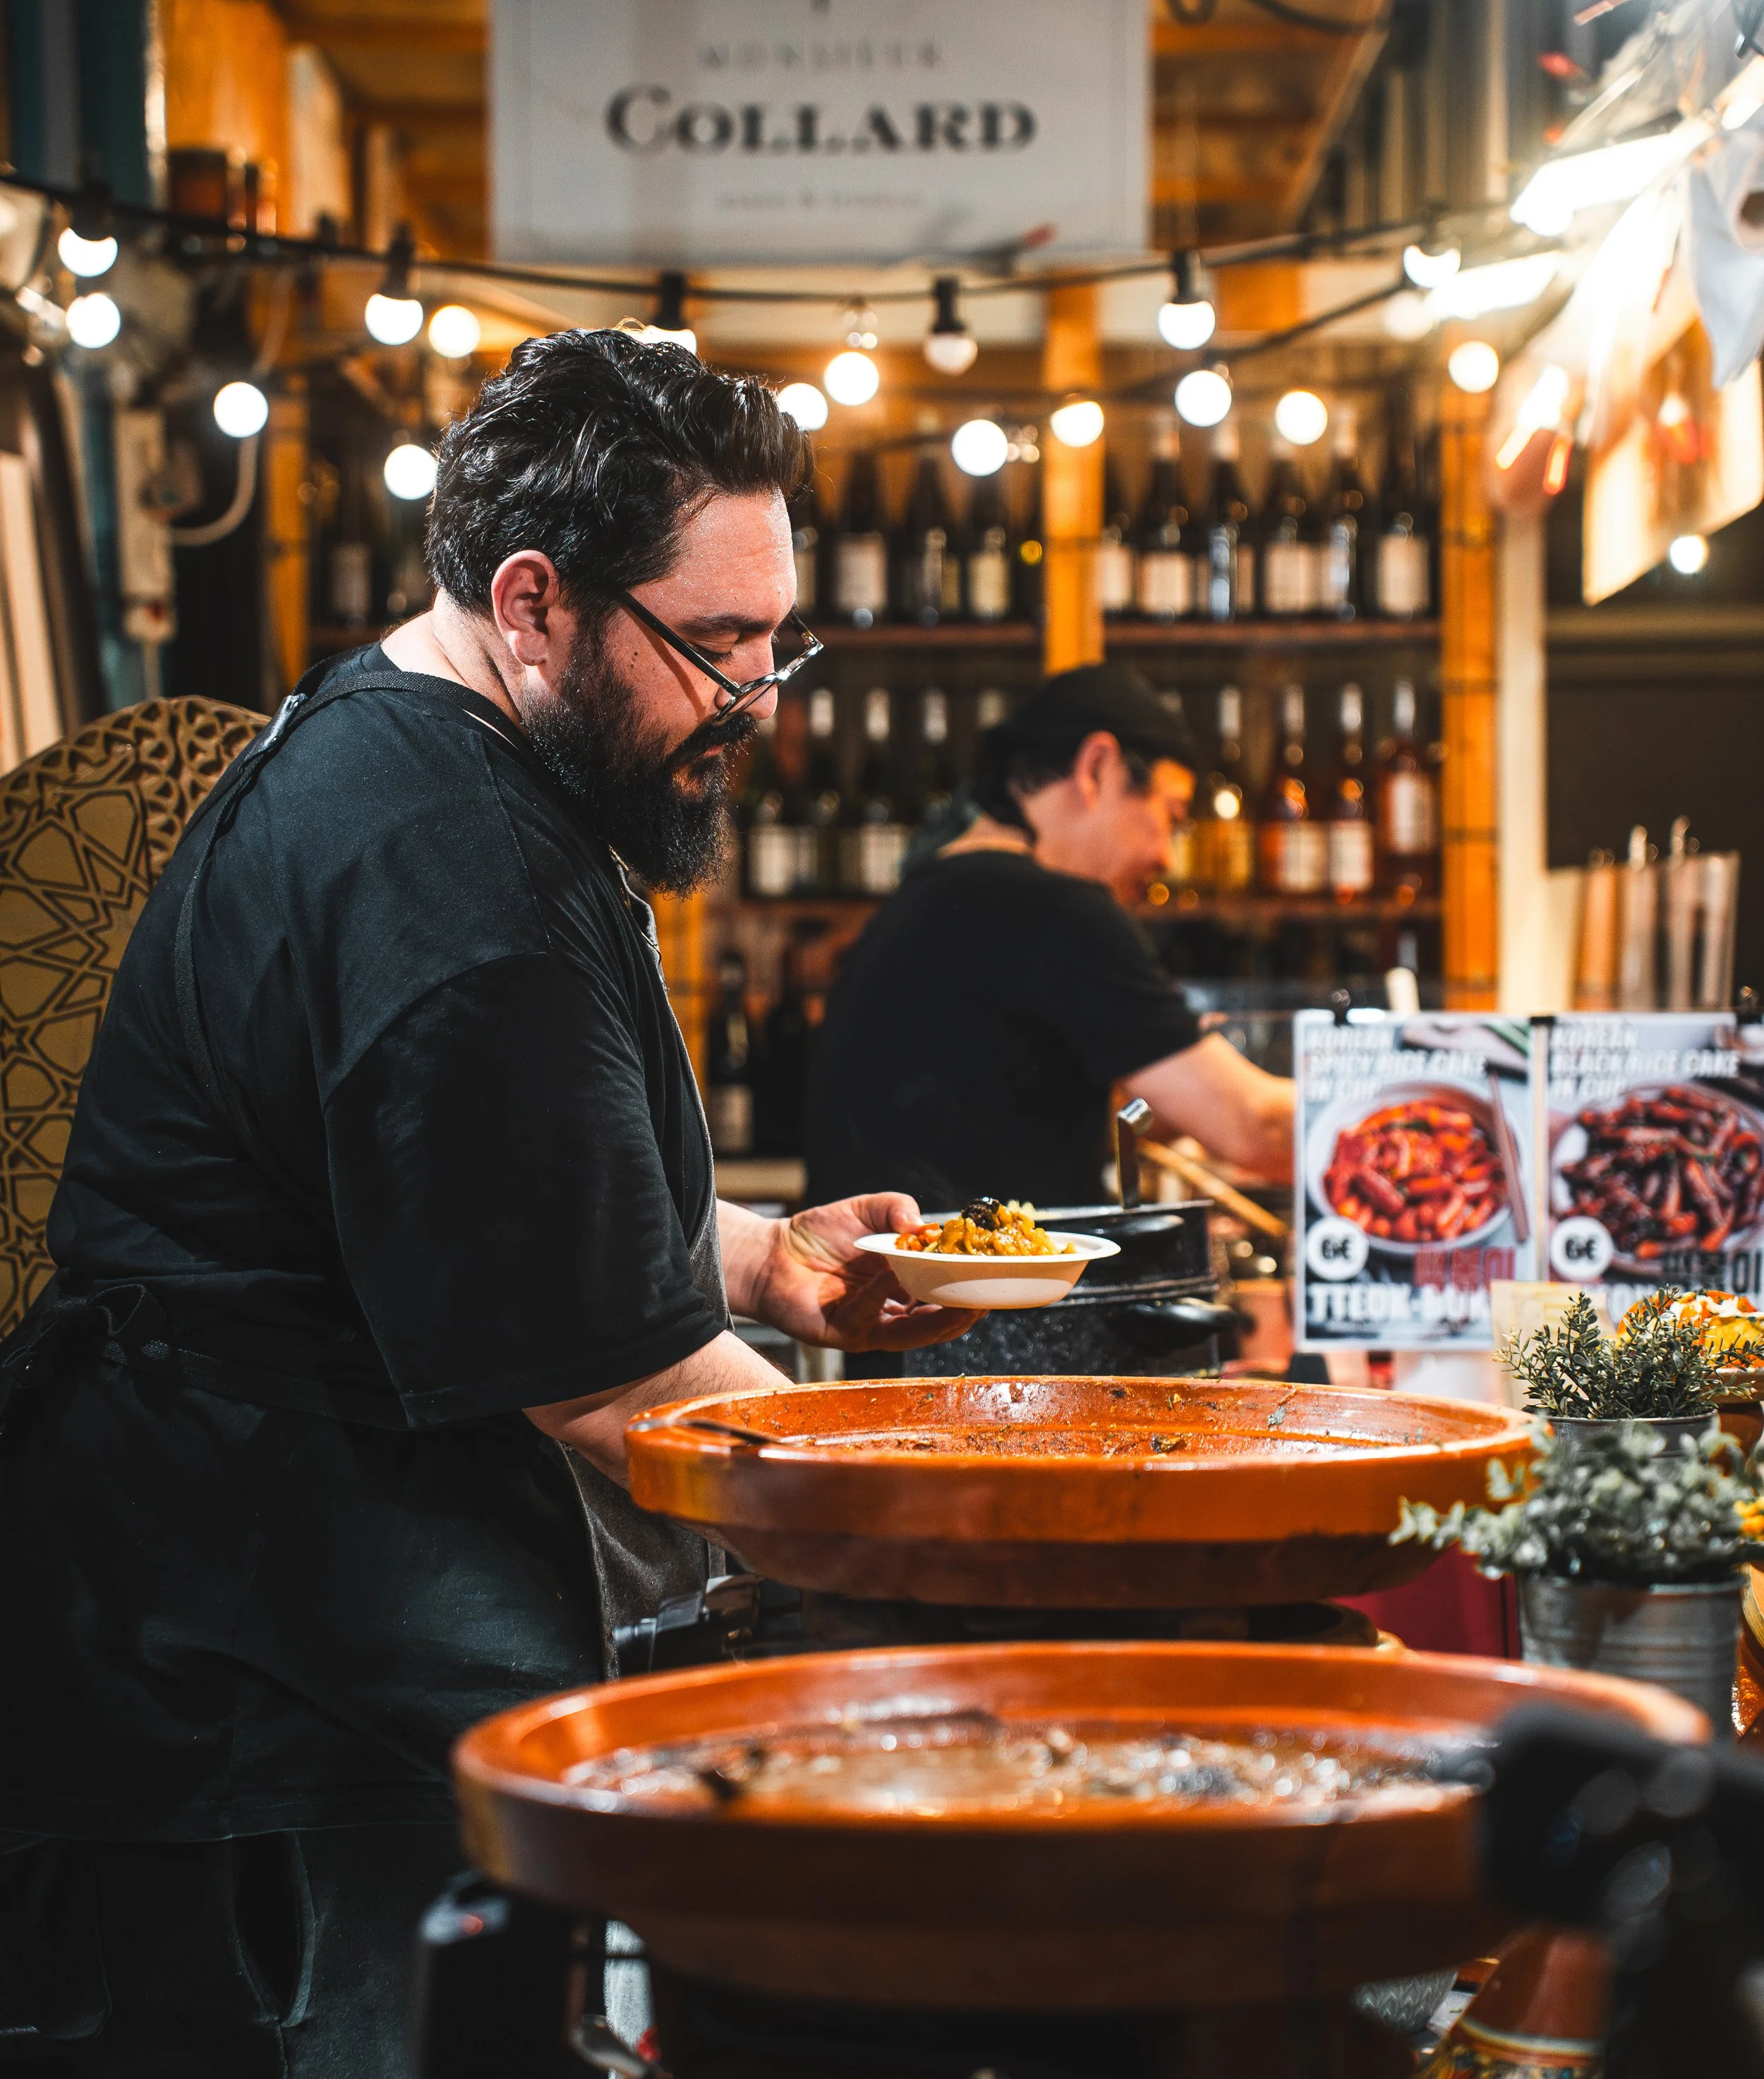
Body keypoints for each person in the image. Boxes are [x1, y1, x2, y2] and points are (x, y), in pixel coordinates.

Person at [0, 330, 969, 2078]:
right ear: (534, 601)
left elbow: (469, 1200)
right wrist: (958, 1508)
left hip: (262, 1628)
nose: (760, 699)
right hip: (260, 1688)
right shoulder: (443, 865)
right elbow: (621, 1387)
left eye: (778, 641)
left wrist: (765, 1258)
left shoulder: (429, 761)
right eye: (717, 648)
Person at [804, 663, 1293, 1214]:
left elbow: (998, 1106)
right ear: (1097, 767)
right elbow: (1259, 1130)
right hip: (982, 1295)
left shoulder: (929, 894)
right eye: (1171, 813)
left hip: (889, 1289)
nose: (1166, 857)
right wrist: (1398, 1094)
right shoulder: (1058, 911)